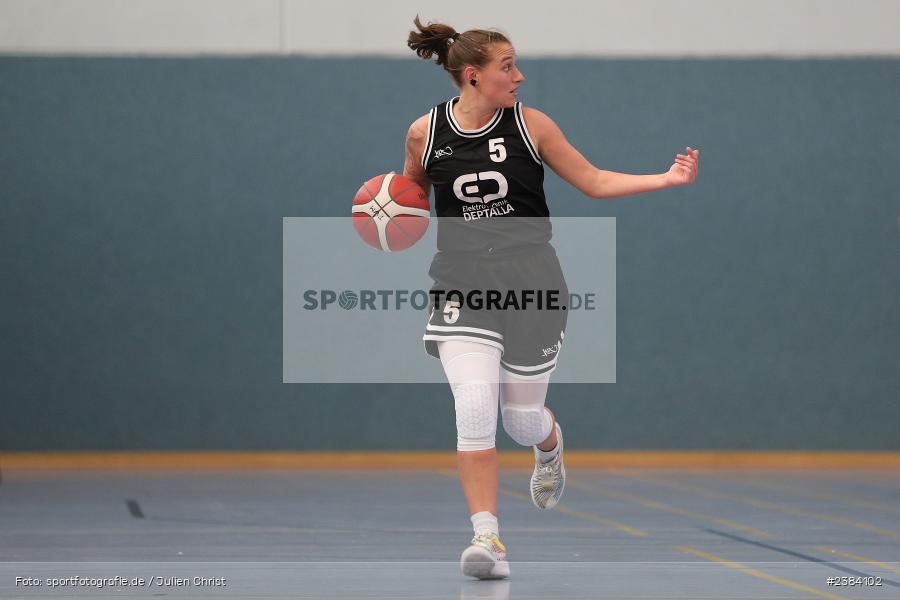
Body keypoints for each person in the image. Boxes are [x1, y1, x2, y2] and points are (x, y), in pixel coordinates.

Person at [402, 17, 699, 580]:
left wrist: (666, 179)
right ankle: (488, 539)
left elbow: (591, 180)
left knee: (519, 418)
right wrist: (385, 213)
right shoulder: (425, 132)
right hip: (461, 281)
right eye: (507, 66)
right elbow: (411, 194)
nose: (520, 75)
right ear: (472, 77)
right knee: (473, 404)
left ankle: (549, 444)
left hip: (533, 282)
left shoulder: (530, 125)